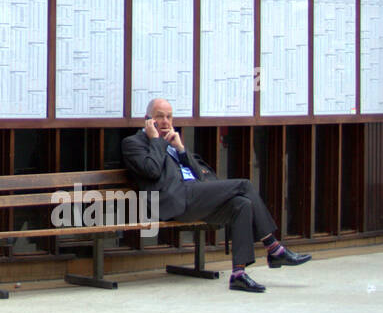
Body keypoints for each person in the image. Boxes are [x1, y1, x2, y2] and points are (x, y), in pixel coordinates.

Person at [121, 98, 310, 292]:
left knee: (241, 204)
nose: (166, 122)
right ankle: (273, 247)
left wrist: (181, 150)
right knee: (244, 185)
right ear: (147, 120)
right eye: (159, 117)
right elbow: (151, 170)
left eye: (169, 117)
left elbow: (201, 177)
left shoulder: (173, 142)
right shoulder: (133, 143)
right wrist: (155, 140)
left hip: (195, 195)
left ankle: (238, 274)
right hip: (175, 201)